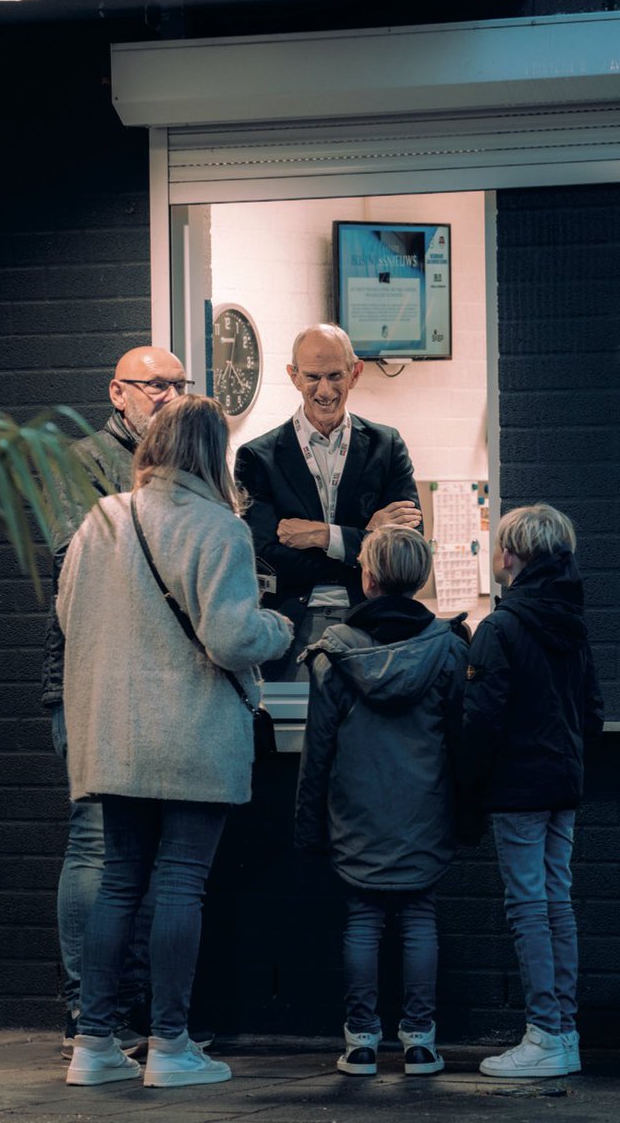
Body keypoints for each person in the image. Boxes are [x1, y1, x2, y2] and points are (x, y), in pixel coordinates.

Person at [58, 394, 293, 1088]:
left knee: (119, 881)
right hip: (191, 731)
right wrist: (278, 628)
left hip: (114, 730)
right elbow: (231, 638)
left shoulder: (103, 518)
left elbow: (69, 615)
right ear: (213, 453)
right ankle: (169, 1046)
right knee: (181, 881)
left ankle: (93, 1045)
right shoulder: (221, 528)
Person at [42, 345, 193, 1058]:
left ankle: (125, 1013)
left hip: (159, 678)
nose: (167, 395)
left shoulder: (184, 469)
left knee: (144, 851)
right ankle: (86, 1015)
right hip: (90, 676)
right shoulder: (80, 462)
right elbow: (75, 563)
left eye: (177, 385)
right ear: (117, 392)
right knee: (97, 841)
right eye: (153, 385)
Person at [295, 525, 468, 1077]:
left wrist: (308, 824)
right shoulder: (447, 649)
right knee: (419, 917)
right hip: (426, 808)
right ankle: (420, 1042)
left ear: (367, 578)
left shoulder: (335, 652)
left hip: (354, 812)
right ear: (420, 579)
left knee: (363, 919)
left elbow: (318, 749)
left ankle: (362, 1043)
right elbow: (460, 739)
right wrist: (466, 813)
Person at [460, 504, 604, 1079]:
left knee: (527, 907)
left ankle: (544, 1035)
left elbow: (482, 720)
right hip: (562, 784)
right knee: (556, 902)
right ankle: (564, 1032)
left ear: (511, 555)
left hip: (517, 789)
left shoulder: (500, 628)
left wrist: (467, 785)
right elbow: (591, 712)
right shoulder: (572, 621)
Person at [234, 324, 422, 679]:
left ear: (355, 373)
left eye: (335, 375)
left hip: (374, 626)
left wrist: (323, 536)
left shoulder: (386, 445)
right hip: (291, 631)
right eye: (312, 377)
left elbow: (408, 550)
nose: (324, 390)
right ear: (293, 376)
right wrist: (364, 541)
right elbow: (265, 558)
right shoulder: (257, 457)